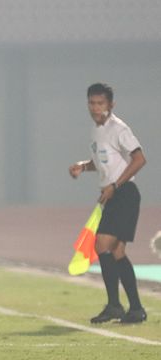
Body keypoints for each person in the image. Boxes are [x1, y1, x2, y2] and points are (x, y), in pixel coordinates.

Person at [69, 83, 147, 324]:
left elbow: (139, 158)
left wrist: (115, 186)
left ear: (111, 105)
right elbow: (101, 162)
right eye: (92, 103)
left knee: (102, 244)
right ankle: (135, 309)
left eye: (100, 103)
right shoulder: (96, 130)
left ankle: (115, 305)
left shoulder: (118, 129)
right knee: (116, 251)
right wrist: (83, 166)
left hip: (124, 193)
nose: (96, 108)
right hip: (113, 195)